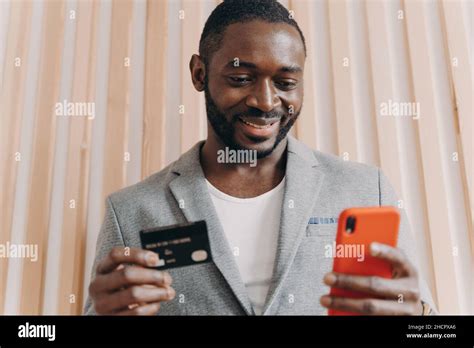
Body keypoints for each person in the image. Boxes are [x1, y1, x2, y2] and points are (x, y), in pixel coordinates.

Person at [84, 0, 436, 316]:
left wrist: (417, 315)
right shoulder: (130, 212)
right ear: (199, 74)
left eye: (285, 83)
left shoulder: (366, 190)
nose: (266, 102)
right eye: (241, 78)